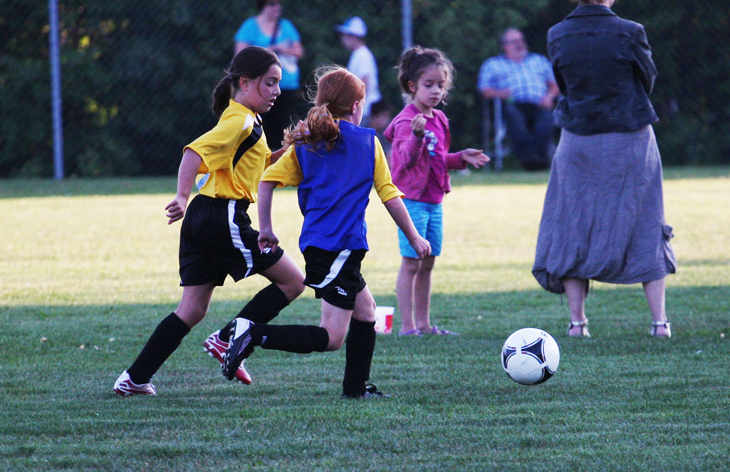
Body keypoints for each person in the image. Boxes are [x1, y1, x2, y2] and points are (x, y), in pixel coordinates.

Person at [222, 67, 431, 399]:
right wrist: (415, 236)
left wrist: (266, 227)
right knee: (331, 338)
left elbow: (267, 180)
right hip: (339, 247)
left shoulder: (306, 142)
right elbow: (389, 194)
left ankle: (355, 388)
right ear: (355, 106)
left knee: (367, 312)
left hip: (325, 246)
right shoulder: (367, 142)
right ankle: (252, 334)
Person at [114, 46, 305, 396]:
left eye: (278, 83)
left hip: (206, 218)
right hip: (223, 215)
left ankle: (134, 378)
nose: (277, 90)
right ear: (245, 83)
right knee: (293, 282)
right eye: (270, 82)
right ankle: (226, 339)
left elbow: (260, 167)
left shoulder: (248, 121)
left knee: (192, 309)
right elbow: (193, 151)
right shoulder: (240, 121)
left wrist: (295, 145)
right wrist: (181, 196)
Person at [532, 0, 676, 339]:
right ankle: (658, 322)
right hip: (631, 139)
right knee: (646, 220)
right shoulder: (631, 32)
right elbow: (647, 80)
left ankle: (578, 323)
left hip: (577, 141)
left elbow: (564, 86)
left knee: (574, 224)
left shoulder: (557, 34)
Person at [384, 47, 489, 337]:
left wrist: (460, 158)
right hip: (412, 203)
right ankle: (407, 327)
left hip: (434, 201)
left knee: (427, 264)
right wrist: (417, 137)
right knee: (411, 263)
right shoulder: (408, 121)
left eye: (441, 86)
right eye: (429, 85)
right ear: (412, 86)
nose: (435, 91)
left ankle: (425, 325)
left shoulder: (440, 120)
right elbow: (405, 160)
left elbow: (438, 159)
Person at [477, 28, 560, 170]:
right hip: (513, 104)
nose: (519, 44)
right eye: (514, 41)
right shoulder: (493, 64)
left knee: (546, 120)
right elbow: (484, 90)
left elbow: (555, 84)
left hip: (540, 103)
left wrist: (550, 97)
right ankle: (531, 160)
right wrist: (500, 93)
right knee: (515, 119)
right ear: (504, 46)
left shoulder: (539, 60)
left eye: (521, 40)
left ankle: (537, 159)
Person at [234, 0, 305, 149]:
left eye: (278, 4)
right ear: (263, 5)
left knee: (281, 125)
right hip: (260, 84)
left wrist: (280, 49)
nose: (276, 8)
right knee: (260, 123)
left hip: (285, 84)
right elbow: (240, 55)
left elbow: (299, 51)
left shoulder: (286, 26)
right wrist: (267, 51)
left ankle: (276, 163)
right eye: (271, 4)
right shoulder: (250, 26)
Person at [337, 16, 381, 127]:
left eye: (345, 35)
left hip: (365, 110)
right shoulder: (358, 54)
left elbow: (364, 83)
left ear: (354, 37)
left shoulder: (361, 55)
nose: (343, 39)